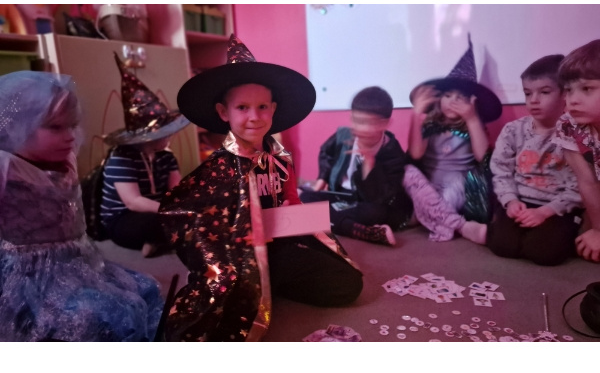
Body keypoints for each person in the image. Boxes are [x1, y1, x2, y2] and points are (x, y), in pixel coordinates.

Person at [159, 34, 363, 342]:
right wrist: (235, 240)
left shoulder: (280, 159)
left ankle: (267, 287)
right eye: (242, 107)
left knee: (348, 283)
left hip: (278, 248)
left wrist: (301, 221)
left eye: (262, 106)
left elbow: (291, 202)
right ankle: (257, 290)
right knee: (221, 321)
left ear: (273, 109)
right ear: (224, 112)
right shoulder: (218, 169)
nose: (254, 117)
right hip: (238, 260)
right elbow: (182, 214)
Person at [0, 70, 164, 341]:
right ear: (17, 126)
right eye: (55, 127)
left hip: (80, 260)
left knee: (145, 289)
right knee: (95, 315)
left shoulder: (67, 158)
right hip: (33, 275)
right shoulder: (6, 166)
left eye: (72, 126)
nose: (70, 136)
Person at [485, 55, 583, 265]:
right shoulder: (513, 130)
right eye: (528, 93)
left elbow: (580, 185)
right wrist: (510, 201)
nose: (534, 100)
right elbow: (501, 170)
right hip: (520, 200)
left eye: (544, 92)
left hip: (556, 205)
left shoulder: (575, 133)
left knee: (544, 253)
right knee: (502, 246)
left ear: (564, 94)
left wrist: (545, 212)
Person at [405, 35, 502, 242]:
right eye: (448, 96)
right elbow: (415, 154)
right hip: (429, 187)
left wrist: (471, 118)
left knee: (462, 180)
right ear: (439, 99)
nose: (452, 102)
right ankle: (454, 223)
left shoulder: (473, 126)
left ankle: (428, 215)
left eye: (460, 98)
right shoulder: (430, 125)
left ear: (472, 103)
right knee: (407, 171)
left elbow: (482, 157)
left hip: (457, 189)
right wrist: (416, 114)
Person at [99, 53, 189, 257]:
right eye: (165, 133)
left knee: (197, 214)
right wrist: (172, 212)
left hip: (157, 210)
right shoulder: (122, 157)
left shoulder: (166, 157)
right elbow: (133, 202)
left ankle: (160, 241)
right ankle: (162, 239)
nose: (170, 136)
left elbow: (176, 190)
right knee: (157, 223)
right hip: (125, 217)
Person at [299, 86, 413, 246]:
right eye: (357, 121)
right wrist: (321, 179)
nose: (361, 128)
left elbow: (382, 196)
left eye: (369, 123)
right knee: (305, 198)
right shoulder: (344, 136)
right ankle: (357, 230)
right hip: (341, 195)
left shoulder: (393, 152)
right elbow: (326, 153)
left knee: (374, 213)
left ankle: (332, 221)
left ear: (386, 123)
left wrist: (369, 165)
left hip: (365, 202)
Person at [553, 39, 600, 263]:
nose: (572, 100)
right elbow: (587, 181)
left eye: (587, 88)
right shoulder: (569, 124)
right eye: (568, 90)